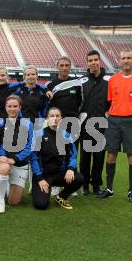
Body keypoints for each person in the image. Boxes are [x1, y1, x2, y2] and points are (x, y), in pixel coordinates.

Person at [98, 49, 132, 203]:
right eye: (123, 58)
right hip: (113, 120)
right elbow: (110, 100)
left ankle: (131, 191)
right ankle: (109, 189)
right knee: (111, 154)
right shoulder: (113, 80)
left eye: (128, 58)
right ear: (119, 61)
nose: (126, 60)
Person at [31, 107, 84, 210]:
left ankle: (61, 196)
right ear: (47, 118)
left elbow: (73, 155)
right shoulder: (39, 135)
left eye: (57, 116)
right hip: (44, 176)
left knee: (79, 178)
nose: (54, 118)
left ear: (61, 118)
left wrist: (70, 169)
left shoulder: (66, 135)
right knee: (41, 205)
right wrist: (40, 179)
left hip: (59, 174)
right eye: (52, 116)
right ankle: (45, 189)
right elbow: (34, 159)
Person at [46, 57, 83, 196]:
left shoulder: (77, 83)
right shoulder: (51, 84)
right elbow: (49, 104)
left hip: (73, 123)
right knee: (56, 153)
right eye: (61, 65)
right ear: (57, 67)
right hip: (56, 123)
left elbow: (81, 102)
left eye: (67, 65)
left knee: (72, 152)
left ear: (70, 67)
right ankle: (56, 184)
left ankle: (71, 182)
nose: (64, 67)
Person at [0, 95, 33, 213]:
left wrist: (15, 159)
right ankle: (0, 201)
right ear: (5, 107)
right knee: (4, 167)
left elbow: (29, 147)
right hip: (4, 162)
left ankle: (7, 185)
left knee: (14, 202)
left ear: (20, 107)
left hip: (20, 163)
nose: (12, 109)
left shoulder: (27, 124)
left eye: (15, 106)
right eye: (9, 106)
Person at [79, 50, 110, 196]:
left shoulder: (109, 81)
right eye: (90, 60)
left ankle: (96, 185)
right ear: (87, 63)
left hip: (101, 124)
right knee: (85, 158)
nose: (93, 63)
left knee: (99, 158)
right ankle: (84, 184)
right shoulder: (82, 81)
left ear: (100, 61)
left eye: (95, 60)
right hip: (86, 125)